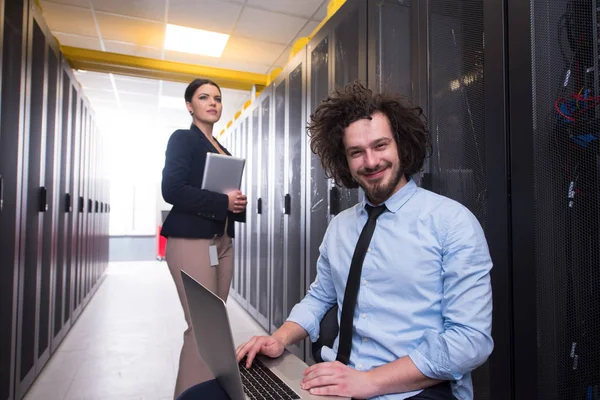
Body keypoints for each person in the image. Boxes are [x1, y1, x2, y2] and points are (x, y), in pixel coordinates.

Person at [190, 81, 493, 400]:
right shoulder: (341, 226)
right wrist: (279, 338)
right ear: (344, 161)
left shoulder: (451, 222)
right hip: (337, 379)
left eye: (380, 146)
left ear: (402, 145)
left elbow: (469, 341)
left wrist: (370, 382)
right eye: (356, 152)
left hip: (415, 389)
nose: (371, 162)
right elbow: (321, 297)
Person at [161, 78, 248, 399]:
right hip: (191, 239)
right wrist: (221, 202)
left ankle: (210, 392)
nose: (213, 102)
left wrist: (235, 203)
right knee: (200, 327)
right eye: (204, 97)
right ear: (189, 106)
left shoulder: (222, 149)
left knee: (215, 327)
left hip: (222, 240)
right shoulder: (184, 139)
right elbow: (172, 190)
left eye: (218, 98)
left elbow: (222, 197)